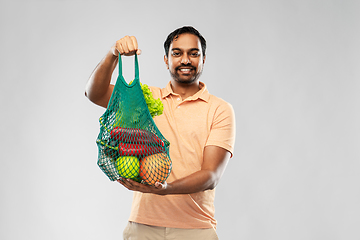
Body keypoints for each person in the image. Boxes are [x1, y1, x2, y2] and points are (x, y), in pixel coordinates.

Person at [85, 26, 236, 240]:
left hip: (196, 229)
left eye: (194, 53)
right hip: (143, 227)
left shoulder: (219, 109)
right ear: (166, 59)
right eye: (177, 53)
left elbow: (211, 175)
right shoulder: (146, 99)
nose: (186, 60)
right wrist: (113, 54)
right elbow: (94, 93)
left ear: (203, 59)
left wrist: (166, 189)